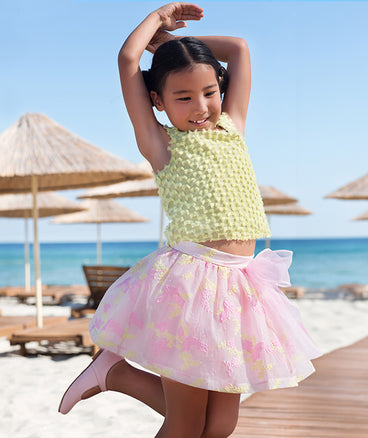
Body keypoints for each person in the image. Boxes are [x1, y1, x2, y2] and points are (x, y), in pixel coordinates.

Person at [58, 3, 321, 437]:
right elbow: (128, 59)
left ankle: (115, 375)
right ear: (157, 102)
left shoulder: (232, 126)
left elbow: (238, 49)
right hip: (191, 289)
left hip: (241, 287)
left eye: (209, 92)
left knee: (221, 425)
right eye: (183, 97)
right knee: (184, 423)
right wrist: (158, 21)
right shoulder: (161, 145)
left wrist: (176, 45)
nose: (200, 107)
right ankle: (116, 374)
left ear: (220, 89)